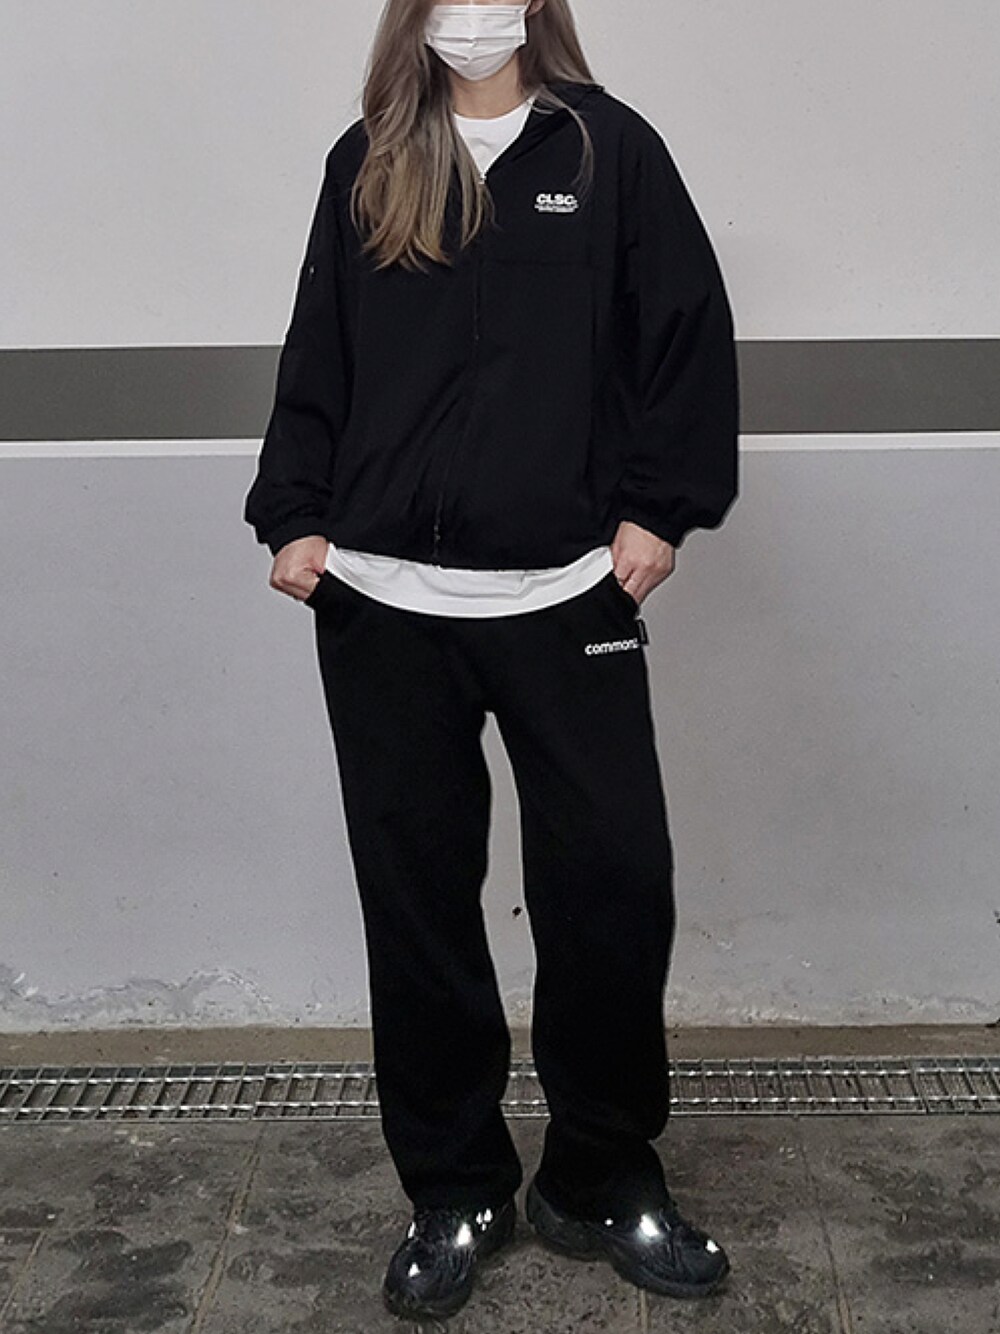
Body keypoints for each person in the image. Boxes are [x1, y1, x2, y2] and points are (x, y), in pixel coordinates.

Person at [244, 0, 739, 1321]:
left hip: (566, 588)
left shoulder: (610, 151)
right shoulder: (368, 161)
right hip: (384, 599)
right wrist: (294, 512)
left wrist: (659, 508)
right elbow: (320, 348)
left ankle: (599, 1173)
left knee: (612, 883)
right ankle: (455, 1185)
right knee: (416, 903)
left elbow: (685, 331)